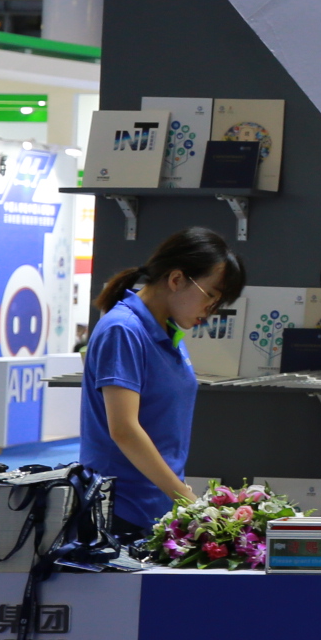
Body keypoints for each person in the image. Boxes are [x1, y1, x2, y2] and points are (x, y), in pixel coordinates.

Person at [81, 228, 246, 537]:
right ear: (176, 279)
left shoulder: (168, 331)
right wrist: (188, 500)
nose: (211, 310)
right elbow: (124, 430)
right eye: (211, 295)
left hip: (156, 507)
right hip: (119, 510)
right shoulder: (123, 329)